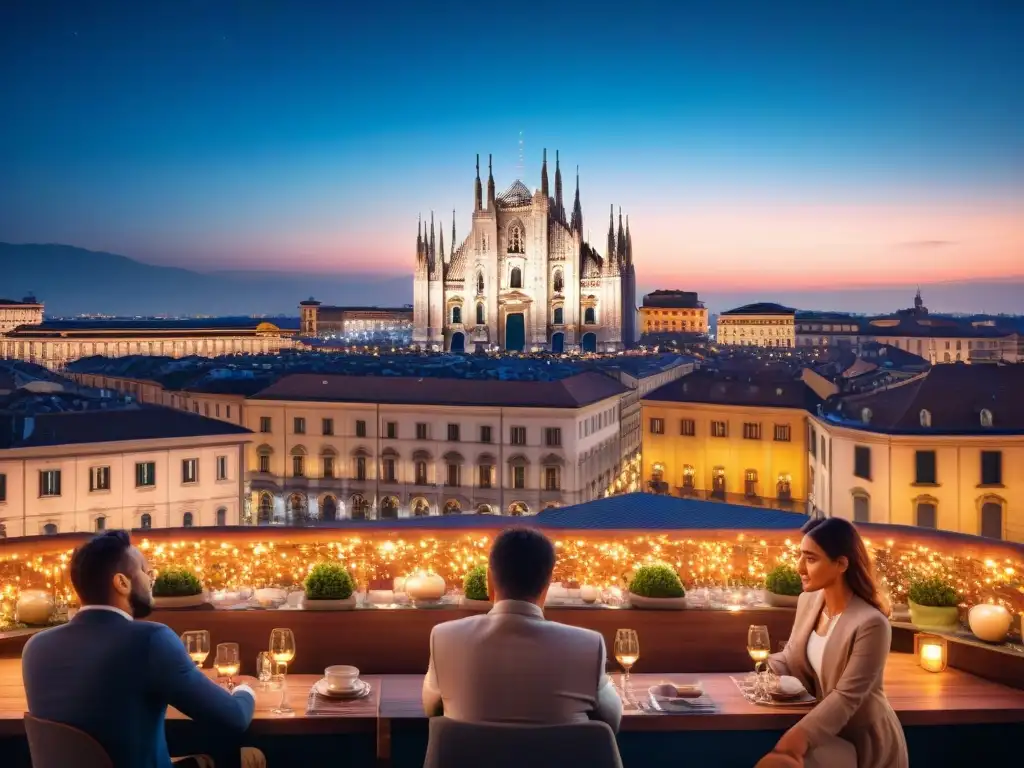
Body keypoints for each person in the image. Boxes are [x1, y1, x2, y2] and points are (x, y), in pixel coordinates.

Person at [22, 530, 265, 768]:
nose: (151, 578)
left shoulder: (35, 647)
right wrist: (246, 688)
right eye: (144, 570)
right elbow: (233, 718)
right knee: (250, 756)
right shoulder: (151, 639)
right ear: (121, 582)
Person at [422, 527, 622, 731]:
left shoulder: (445, 637)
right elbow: (612, 722)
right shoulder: (588, 645)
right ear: (547, 585)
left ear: (489, 582)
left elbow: (431, 709)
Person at [759, 517, 909, 768]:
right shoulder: (809, 601)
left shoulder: (871, 623)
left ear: (841, 564)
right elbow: (790, 657)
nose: (799, 568)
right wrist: (755, 679)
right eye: (801, 556)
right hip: (823, 731)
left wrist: (791, 744)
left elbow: (845, 698)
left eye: (810, 558)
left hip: (861, 742)